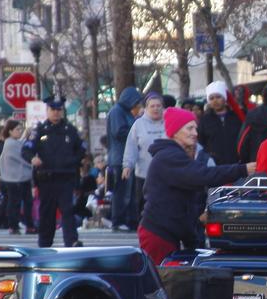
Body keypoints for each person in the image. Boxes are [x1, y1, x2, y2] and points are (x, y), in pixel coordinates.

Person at [138, 108, 255, 265]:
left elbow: (187, 201)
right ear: (175, 131)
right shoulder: (169, 157)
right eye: (189, 128)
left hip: (166, 233)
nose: (195, 133)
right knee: (162, 283)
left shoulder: (174, 155)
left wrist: (192, 241)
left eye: (195, 128)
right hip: (158, 234)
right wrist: (243, 169)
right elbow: (203, 175)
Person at [22, 94, 87, 248]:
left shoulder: (70, 130)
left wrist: (74, 161)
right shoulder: (39, 131)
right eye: (53, 109)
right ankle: (45, 243)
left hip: (66, 177)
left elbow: (82, 149)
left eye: (59, 109)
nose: (56, 112)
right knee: (47, 213)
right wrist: (32, 159)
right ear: (47, 110)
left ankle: (71, 241)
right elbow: (26, 149)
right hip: (47, 178)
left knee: (68, 211)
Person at [122, 92, 166, 225]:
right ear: (146, 108)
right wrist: (127, 165)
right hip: (144, 173)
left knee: (164, 203)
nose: (156, 108)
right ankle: (145, 229)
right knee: (144, 204)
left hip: (166, 173)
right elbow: (131, 146)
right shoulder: (138, 124)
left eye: (159, 106)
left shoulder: (168, 122)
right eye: (152, 106)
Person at [107, 87, 144, 231]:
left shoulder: (125, 112)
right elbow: (119, 131)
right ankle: (118, 220)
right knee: (122, 191)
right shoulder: (117, 111)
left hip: (127, 157)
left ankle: (130, 219)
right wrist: (136, 131)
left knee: (129, 192)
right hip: (120, 158)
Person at [0, 120, 35, 235]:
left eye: (21, 129)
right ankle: (15, 225)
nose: (20, 132)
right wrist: (33, 162)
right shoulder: (10, 144)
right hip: (15, 178)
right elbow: (23, 156)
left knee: (24, 202)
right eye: (17, 130)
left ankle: (25, 225)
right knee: (16, 202)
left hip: (19, 177)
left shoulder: (13, 143)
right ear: (10, 131)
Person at [198, 81, 243, 165]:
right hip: (214, 166)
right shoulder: (204, 120)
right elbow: (201, 142)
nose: (215, 101)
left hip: (237, 163)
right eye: (211, 98)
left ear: (224, 98)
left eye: (218, 97)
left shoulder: (237, 117)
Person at [237, 83, 267, 164]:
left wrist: (244, 160)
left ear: (263, 96)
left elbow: (242, 141)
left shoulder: (252, 114)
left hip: (257, 161)